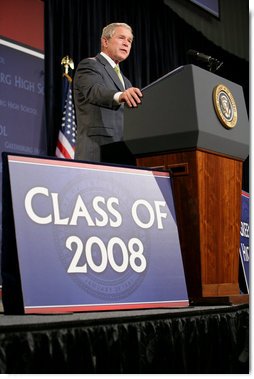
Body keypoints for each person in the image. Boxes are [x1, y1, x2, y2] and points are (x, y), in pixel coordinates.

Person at [73, 22, 143, 162]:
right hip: (96, 150)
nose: (126, 43)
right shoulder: (90, 65)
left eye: (129, 40)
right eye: (121, 38)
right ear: (105, 41)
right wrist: (120, 95)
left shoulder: (126, 81)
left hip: (122, 152)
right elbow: (95, 91)